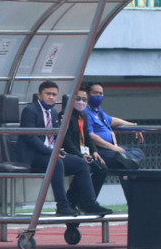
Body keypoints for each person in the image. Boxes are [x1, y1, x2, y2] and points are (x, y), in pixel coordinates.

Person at [13, 80, 110, 217]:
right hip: (32, 155)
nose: (51, 97)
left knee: (81, 163)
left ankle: (89, 203)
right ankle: (62, 205)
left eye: (54, 94)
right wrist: (52, 152)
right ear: (40, 95)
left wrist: (60, 145)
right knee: (56, 162)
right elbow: (31, 138)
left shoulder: (53, 112)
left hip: (50, 153)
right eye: (48, 94)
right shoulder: (30, 110)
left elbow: (58, 137)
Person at [85, 81, 145, 171]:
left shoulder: (99, 112)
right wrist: (113, 148)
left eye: (100, 93)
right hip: (100, 150)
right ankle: (125, 160)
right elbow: (91, 135)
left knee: (138, 152)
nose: (98, 95)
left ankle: (126, 160)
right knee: (118, 156)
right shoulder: (86, 112)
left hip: (113, 148)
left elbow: (113, 120)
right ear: (88, 95)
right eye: (95, 93)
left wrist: (133, 126)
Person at [63, 89, 107, 199]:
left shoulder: (84, 116)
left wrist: (94, 151)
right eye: (78, 99)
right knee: (83, 166)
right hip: (70, 153)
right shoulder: (65, 115)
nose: (81, 102)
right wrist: (80, 155)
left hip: (83, 152)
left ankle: (89, 200)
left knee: (102, 168)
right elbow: (65, 140)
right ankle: (72, 199)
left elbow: (87, 136)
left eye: (84, 99)